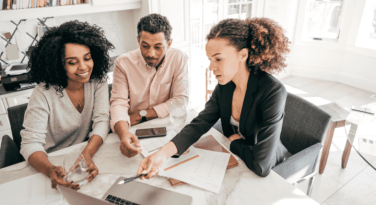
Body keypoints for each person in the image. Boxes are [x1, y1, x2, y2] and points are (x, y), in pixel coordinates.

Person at [137, 17, 291, 179]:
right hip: (240, 159)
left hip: (270, 170)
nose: (211, 67)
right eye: (210, 60)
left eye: (218, 59)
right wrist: (161, 155)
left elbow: (261, 166)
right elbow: (200, 122)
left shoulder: (272, 91)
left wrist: (235, 142)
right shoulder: (226, 85)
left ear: (243, 55)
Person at [20, 21, 114, 190]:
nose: (84, 67)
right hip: (50, 161)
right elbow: (30, 144)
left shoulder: (98, 80)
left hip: (85, 152)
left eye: (87, 58)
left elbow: (102, 119)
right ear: (58, 64)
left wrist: (87, 154)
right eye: (72, 62)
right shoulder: (43, 92)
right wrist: (50, 170)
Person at [110, 14, 189, 158]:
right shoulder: (123, 63)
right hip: (133, 129)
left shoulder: (178, 58)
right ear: (138, 40)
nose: (150, 53)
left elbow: (180, 100)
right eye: (145, 46)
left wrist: (143, 114)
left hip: (167, 127)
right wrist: (124, 135)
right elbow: (118, 103)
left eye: (158, 47)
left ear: (169, 44)